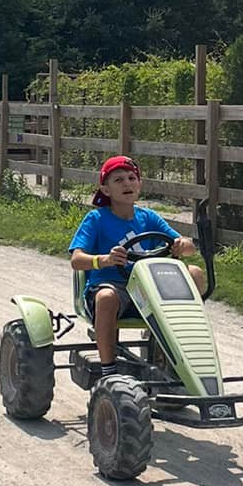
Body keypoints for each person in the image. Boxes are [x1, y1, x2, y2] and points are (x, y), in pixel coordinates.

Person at [68, 155, 204, 365]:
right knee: (106, 297)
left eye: (132, 178)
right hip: (113, 286)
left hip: (148, 288)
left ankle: (184, 353)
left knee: (194, 273)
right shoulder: (96, 219)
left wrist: (182, 245)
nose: (127, 184)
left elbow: (187, 247)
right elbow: (77, 260)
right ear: (106, 190)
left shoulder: (148, 218)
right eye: (119, 180)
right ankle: (108, 368)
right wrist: (104, 259)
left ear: (139, 185)